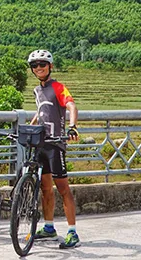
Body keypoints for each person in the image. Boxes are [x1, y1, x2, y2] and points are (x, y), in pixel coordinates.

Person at [27, 49, 80, 249]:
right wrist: (31, 126)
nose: (39, 68)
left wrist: (73, 126)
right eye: (35, 65)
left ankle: (73, 232)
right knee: (45, 188)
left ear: (50, 66)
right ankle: (49, 228)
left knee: (63, 188)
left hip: (55, 145)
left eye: (42, 64)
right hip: (41, 144)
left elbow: (71, 106)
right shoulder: (37, 90)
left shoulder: (58, 86)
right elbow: (41, 111)